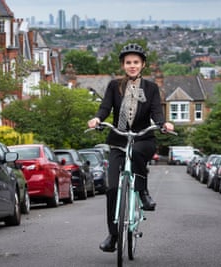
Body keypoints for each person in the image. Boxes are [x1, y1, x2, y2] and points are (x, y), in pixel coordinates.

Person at [87, 43, 174, 252]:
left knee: (135, 153)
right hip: (118, 139)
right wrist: (97, 119)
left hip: (143, 138)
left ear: (143, 64)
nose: (132, 66)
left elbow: (156, 112)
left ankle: (143, 192)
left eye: (136, 62)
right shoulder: (114, 86)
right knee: (111, 188)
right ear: (123, 65)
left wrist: (163, 124)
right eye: (128, 62)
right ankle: (113, 235)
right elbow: (105, 107)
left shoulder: (151, 88)